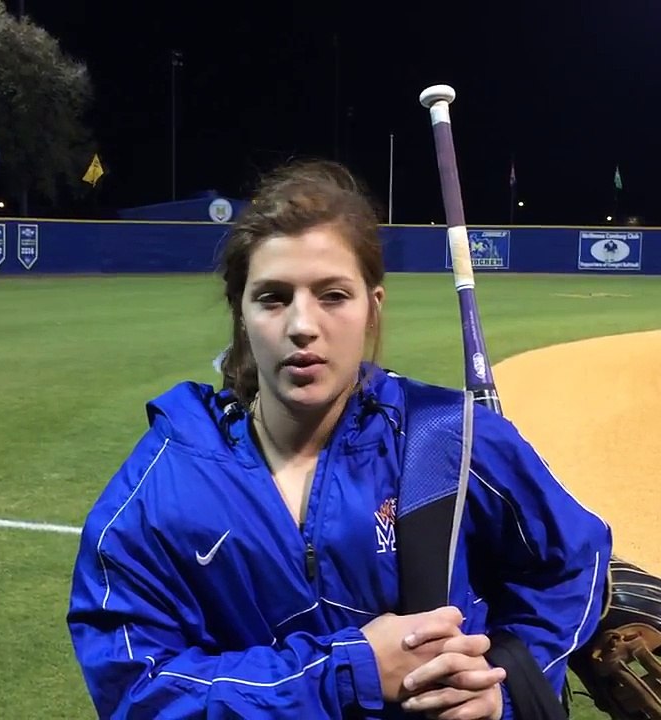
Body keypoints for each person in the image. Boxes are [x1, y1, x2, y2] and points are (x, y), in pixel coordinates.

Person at [66, 159, 613, 719]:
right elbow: (136, 689)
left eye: (332, 295)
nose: (302, 325)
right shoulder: (168, 481)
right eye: (273, 297)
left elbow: (574, 563)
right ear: (241, 314)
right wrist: (351, 672)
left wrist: (506, 683)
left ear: (372, 308)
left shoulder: (447, 439)